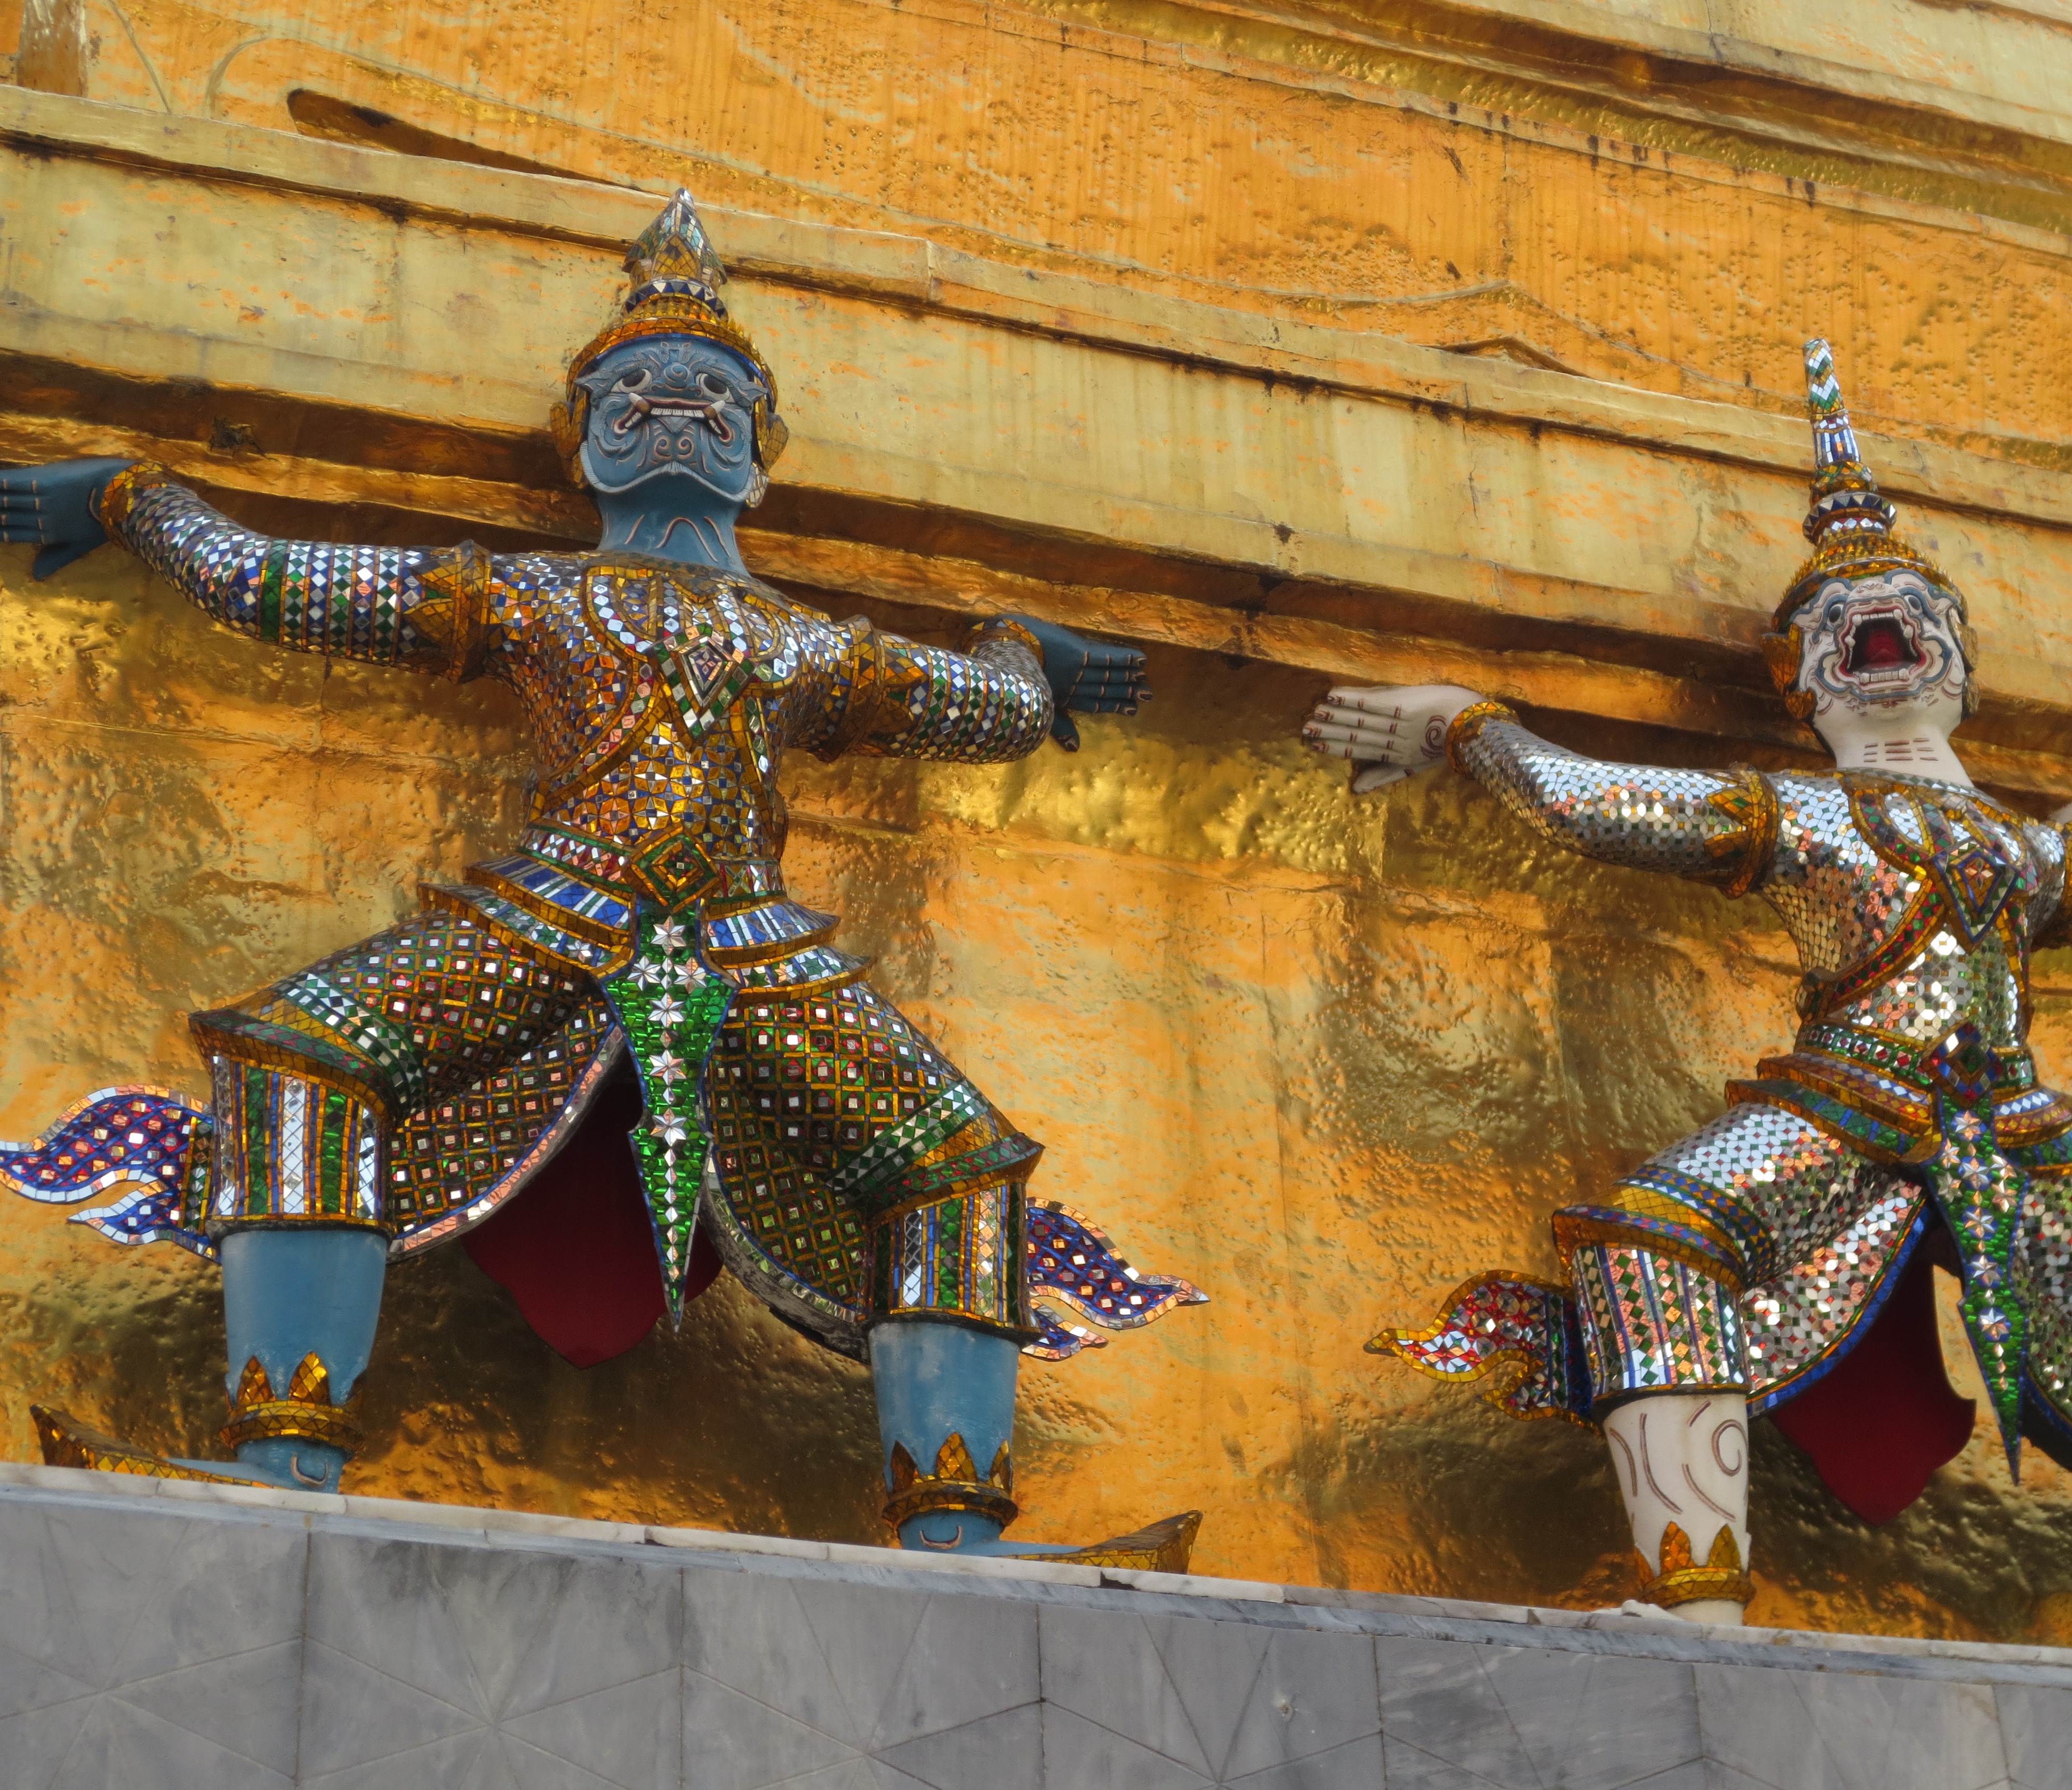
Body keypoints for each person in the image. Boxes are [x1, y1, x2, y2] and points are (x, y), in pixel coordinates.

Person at [0, 192, 1203, 1568]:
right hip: (553, 914)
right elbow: (272, 581)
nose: (677, 408)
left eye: (716, 396)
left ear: (762, 456)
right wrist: (135, 501)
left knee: (955, 1162)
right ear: (582, 442)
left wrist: (1022, 653)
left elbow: (985, 711)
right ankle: (283, 1458)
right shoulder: (536, 598)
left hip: (752, 947)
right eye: (633, 394)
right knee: (301, 1055)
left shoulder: (812, 647)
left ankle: (957, 1536)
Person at [1312, 341, 2072, 1663]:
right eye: (1843, 618)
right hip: (1845, 1106)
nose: (1883, 620)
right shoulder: (1809, 815)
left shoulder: (2021, 849)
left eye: (1916, 608)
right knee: (1651, 1245)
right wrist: (1470, 724)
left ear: (1963, 663)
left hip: (2012, 1127)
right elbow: (1594, 806)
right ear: (1801, 680)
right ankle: (1697, 1603)